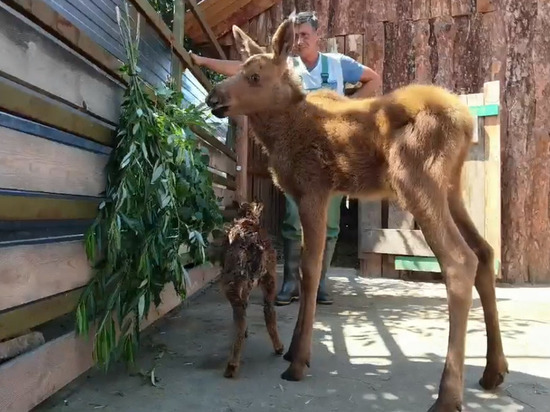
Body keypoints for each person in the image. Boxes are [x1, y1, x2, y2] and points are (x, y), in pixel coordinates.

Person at [190, 11, 381, 306]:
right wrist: (203, 62)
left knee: (329, 224)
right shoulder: (283, 65)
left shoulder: (338, 64)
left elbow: (373, 79)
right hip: (297, 153)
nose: (299, 40)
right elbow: (242, 69)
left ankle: (319, 283)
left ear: (318, 36)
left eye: (305, 34)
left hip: (331, 156)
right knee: (294, 219)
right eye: (296, 35)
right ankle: (292, 282)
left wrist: (349, 108)